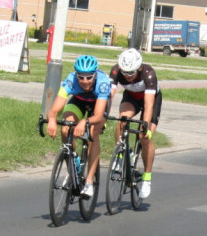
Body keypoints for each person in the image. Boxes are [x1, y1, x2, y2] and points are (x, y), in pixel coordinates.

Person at [45, 54, 111, 198]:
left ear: (95, 75)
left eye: (89, 77)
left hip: (97, 105)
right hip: (79, 102)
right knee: (65, 126)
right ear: (76, 75)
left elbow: (99, 115)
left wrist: (84, 122)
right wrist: (51, 119)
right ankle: (73, 160)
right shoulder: (70, 81)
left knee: (93, 133)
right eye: (81, 77)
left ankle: (88, 182)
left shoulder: (103, 83)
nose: (85, 81)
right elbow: (55, 108)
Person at [108, 48, 160, 199]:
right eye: (125, 72)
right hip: (131, 98)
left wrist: (145, 125)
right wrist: (103, 116)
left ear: (139, 68)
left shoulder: (148, 74)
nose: (127, 76)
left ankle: (147, 177)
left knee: (145, 137)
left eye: (131, 73)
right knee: (122, 120)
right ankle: (121, 154)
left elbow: (149, 105)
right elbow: (109, 96)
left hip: (151, 100)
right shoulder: (116, 70)